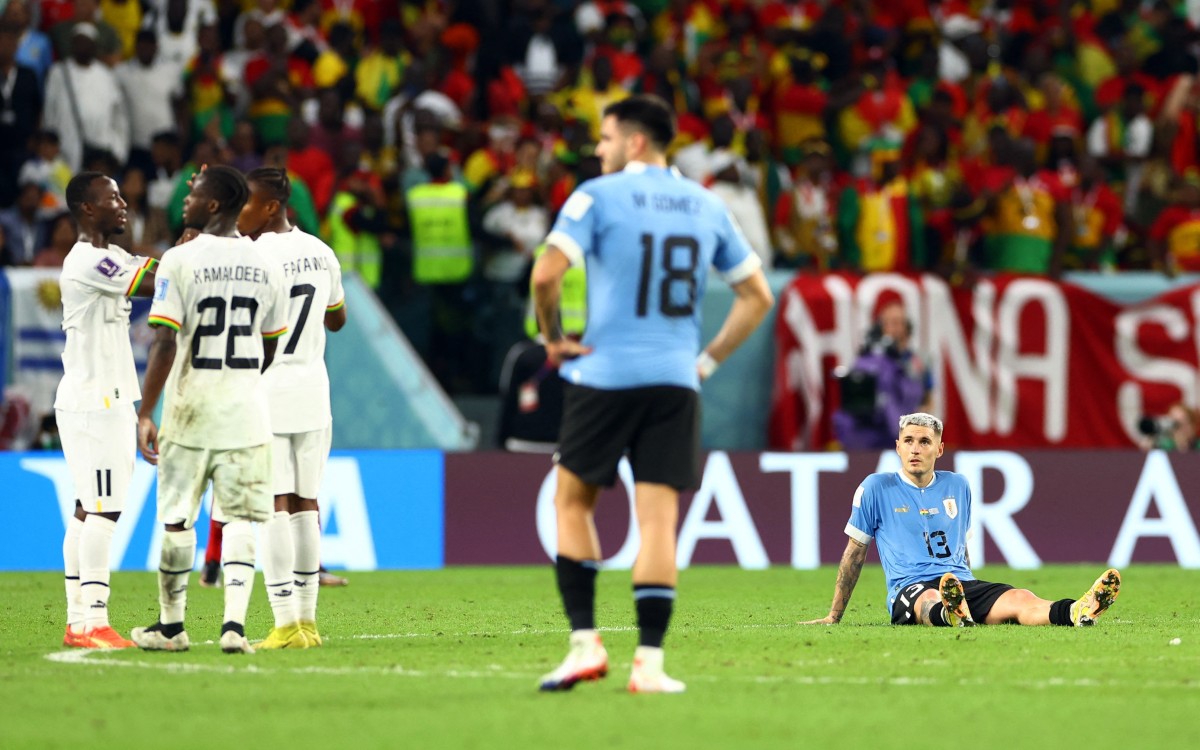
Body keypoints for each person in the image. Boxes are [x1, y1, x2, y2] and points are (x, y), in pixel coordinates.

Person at [532, 94, 774, 694]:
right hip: (675, 381)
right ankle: (651, 663)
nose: (598, 149)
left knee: (573, 503)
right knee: (659, 521)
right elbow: (758, 296)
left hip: (605, 376)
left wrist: (554, 338)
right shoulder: (707, 203)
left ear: (634, 141)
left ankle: (585, 644)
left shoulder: (596, 194)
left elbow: (545, 273)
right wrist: (707, 362)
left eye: (605, 138)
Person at [131, 165, 289, 655]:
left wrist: (145, 412)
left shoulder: (179, 260)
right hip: (246, 409)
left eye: (193, 193)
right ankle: (234, 629)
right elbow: (268, 348)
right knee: (241, 518)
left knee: (179, 519)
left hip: (189, 408)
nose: (185, 199)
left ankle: (172, 628)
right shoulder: (267, 264)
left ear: (213, 204)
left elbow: (163, 342)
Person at [802, 412, 1121, 629]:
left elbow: (960, 546)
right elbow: (854, 553)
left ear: (939, 449)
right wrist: (834, 615)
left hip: (959, 582)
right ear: (897, 446)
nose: (915, 448)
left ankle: (1077, 610)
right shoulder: (876, 488)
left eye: (924, 442)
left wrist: (969, 583)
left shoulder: (958, 486)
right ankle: (951, 614)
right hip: (908, 588)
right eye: (909, 440)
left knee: (1020, 597)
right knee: (929, 599)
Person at [236, 166, 347, 648]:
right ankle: (308, 622)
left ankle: (284, 622)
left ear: (271, 207)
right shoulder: (321, 252)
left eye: (246, 204)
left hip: (270, 393)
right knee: (307, 504)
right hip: (314, 392)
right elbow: (338, 319)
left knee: (275, 506)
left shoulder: (253, 256)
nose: (240, 214)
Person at [56, 171, 158, 649]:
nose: (123, 204)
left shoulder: (111, 255)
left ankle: (79, 620)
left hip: (96, 398)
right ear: (87, 209)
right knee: (103, 511)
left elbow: (156, 268)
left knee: (85, 511)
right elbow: (154, 281)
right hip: (97, 401)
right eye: (112, 198)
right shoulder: (88, 262)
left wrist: (191, 241)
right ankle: (92, 620)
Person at [832, 300, 933, 450]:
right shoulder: (868, 360)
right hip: (870, 433)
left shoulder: (918, 361)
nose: (893, 328)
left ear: (907, 327)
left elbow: (928, 398)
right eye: (888, 323)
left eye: (898, 322)